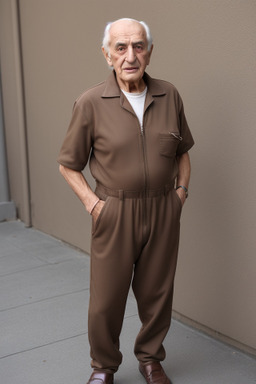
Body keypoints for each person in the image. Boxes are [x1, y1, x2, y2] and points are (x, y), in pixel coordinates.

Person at [58, 18, 194, 384]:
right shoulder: (89, 102)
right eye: (121, 47)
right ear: (107, 54)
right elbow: (68, 165)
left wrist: (180, 195)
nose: (130, 55)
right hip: (114, 211)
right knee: (106, 299)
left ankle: (150, 360)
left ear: (149, 52)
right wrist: (94, 205)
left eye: (138, 46)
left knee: (157, 293)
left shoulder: (170, 95)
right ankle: (103, 367)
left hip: (164, 208)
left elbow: (182, 152)